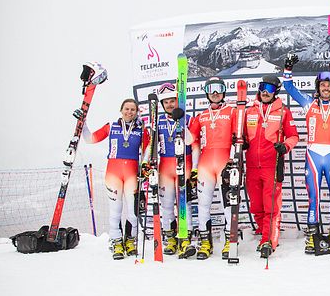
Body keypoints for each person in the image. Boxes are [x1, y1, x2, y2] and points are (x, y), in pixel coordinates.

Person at [283, 54, 330, 253]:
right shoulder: (308, 103)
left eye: (329, 86)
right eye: (323, 85)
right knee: (314, 198)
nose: (326, 88)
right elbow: (289, 87)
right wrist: (288, 68)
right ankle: (312, 236)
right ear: (318, 87)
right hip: (312, 155)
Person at [79, 98, 149, 259]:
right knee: (115, 211)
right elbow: (90, 139)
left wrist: (144, 166)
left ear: (137, 112)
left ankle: (130, 241)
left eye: (133, 109)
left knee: (133, 212)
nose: (129, 112)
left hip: (132, 173)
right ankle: (116, 242)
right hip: (113, 172)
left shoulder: (141, 129)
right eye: (127, 109)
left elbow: (146, 151)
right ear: (121, 110)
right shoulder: (112, 126)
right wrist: (83, 123)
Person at [244, 75, 299, 258]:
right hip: (252, 166)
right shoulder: (249, 110)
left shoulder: (283, 111)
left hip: (271, 165)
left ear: (276, 91)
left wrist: (285, 146)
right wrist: (243, 142)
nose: (265, 91)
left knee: (271, 205)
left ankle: (269, 240)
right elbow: (243, 135)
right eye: (262, 87)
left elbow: (294, 136)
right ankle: (262, 229)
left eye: (270, 88)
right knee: (256, 205)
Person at [188, 76, 238, 260]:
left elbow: (239, 137)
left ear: (224, 91)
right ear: (207, 93)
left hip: (225, 161)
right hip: (205, 164)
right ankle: (205, 242)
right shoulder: (201, 116)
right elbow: (190, 141)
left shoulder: (232, 112)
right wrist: (180, 123)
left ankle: (229, 241)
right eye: (211, 89)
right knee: (203, 205)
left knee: (228, 205)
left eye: (218, 89)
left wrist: (233, 160)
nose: (215, 93)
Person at [154, 82, 197, 258]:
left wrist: (182, 123)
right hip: (165, 166)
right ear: (162, 104)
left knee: (184, 204)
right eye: (166, 102)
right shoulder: (158, 121)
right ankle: (170, 238)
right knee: (166, 205)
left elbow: (191, 142)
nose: (170, 105)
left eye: (172, 101)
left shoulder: (188, 118)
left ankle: (185, 238)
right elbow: (152, 146)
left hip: (184, 164)